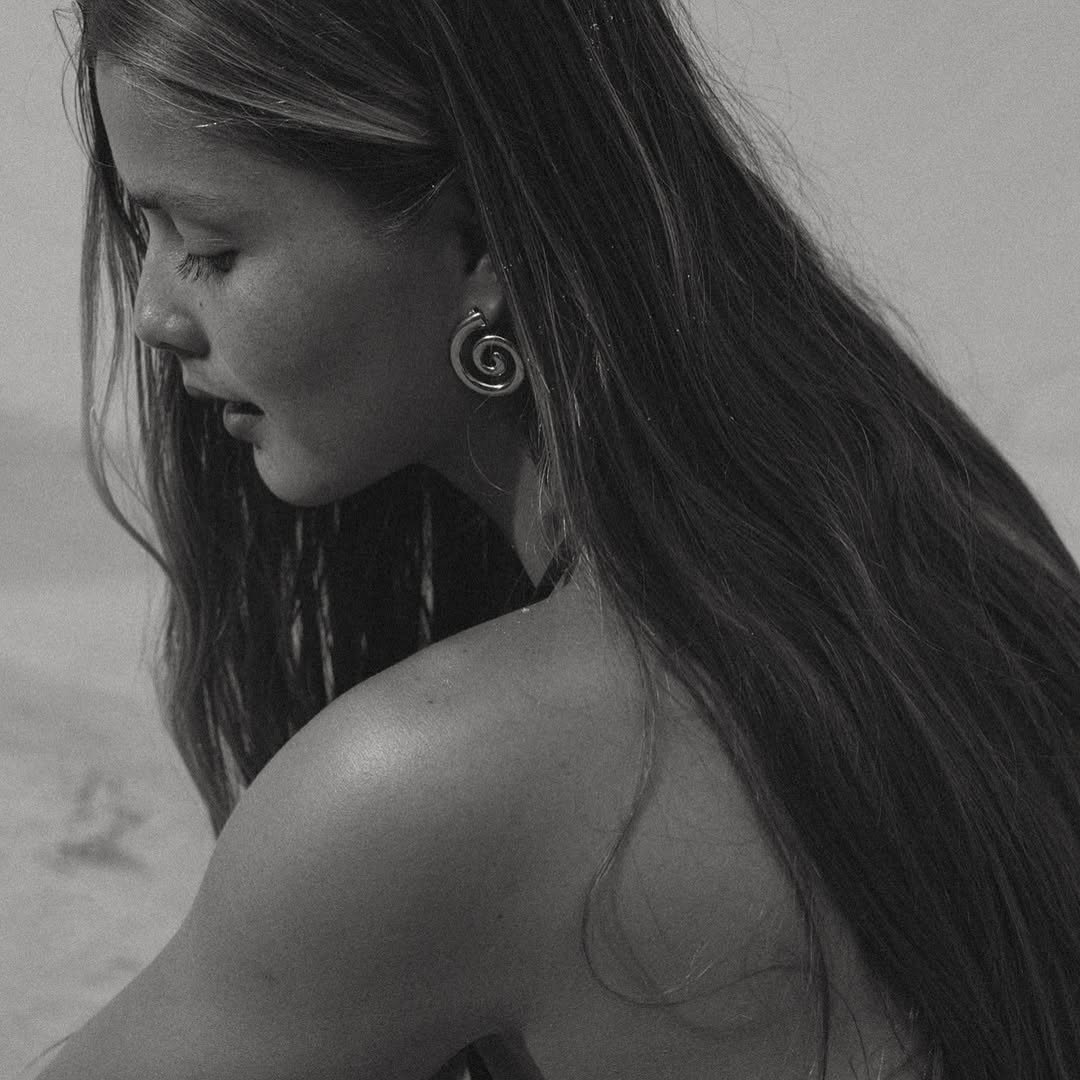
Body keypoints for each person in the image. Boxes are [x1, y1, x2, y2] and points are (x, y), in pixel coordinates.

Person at [25, 0, 1080, 1077]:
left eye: (210, 247)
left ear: (481, 240)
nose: (153, 309)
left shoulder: (432, 784)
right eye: (138, 230)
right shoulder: (936, 528)